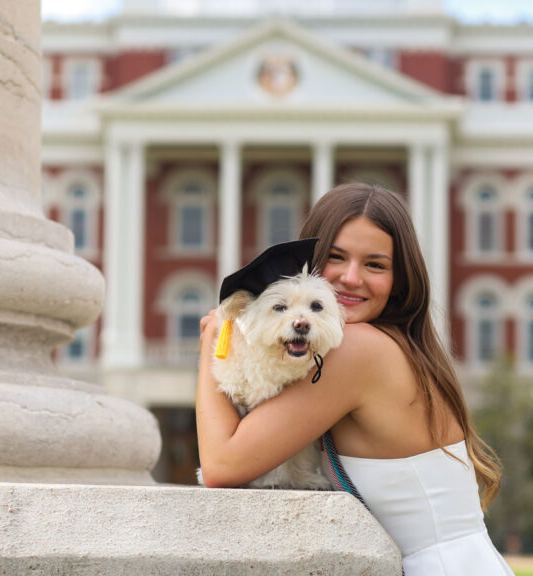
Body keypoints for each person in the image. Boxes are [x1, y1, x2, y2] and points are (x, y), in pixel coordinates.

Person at [196, 182, 513, 575]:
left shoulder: (357, 349)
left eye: (374, 265)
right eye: (336, 257)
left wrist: (216, 338)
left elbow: (221, 465)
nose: (350, 278)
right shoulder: (397, 345)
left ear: (398, 281)